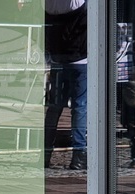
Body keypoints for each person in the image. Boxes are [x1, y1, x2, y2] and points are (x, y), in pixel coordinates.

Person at [43, 0, 87, 170]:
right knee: (80, 107)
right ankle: (78, 156)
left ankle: (46, 153)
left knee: (55, 107)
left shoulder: (48, 3)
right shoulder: (80, 3)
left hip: (57, 58)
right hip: (81, 58)